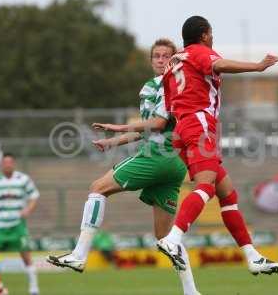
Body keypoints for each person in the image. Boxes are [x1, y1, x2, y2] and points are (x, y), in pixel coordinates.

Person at [47, 38, 201, 295]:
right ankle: (191, 291)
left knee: (97, 188)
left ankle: (79, 255)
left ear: (174, 60)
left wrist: (120, 127)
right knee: (165, 239)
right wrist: (114, 141)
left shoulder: (169, 84)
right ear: (151, 60)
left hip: (157, 155)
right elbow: (148, 128)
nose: (161, 60)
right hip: (174, 162)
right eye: (157, 56)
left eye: (166, 56)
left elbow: (160, 123)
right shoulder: (162, 86)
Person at [156, 16, 278, 276]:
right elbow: (220, 64)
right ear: (204, 35)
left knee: (227, 194)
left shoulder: (173, 63)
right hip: (198, 124)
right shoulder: (200, 52)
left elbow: (169, 109)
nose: (212, 37)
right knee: (205, 186)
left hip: (181, 129)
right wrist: (258, 67)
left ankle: (252, 256)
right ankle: (172, 238)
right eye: (211, 33)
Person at [0, 153, 40, 295]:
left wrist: (28, 210)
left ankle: (34, 288)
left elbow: (34, 195)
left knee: (26, 256)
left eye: (10, 162)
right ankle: (0, 287)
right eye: (5, 163)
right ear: (2, 164)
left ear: (13, 164)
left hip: (17, 225)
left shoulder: (23, 179)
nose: (7, 165)